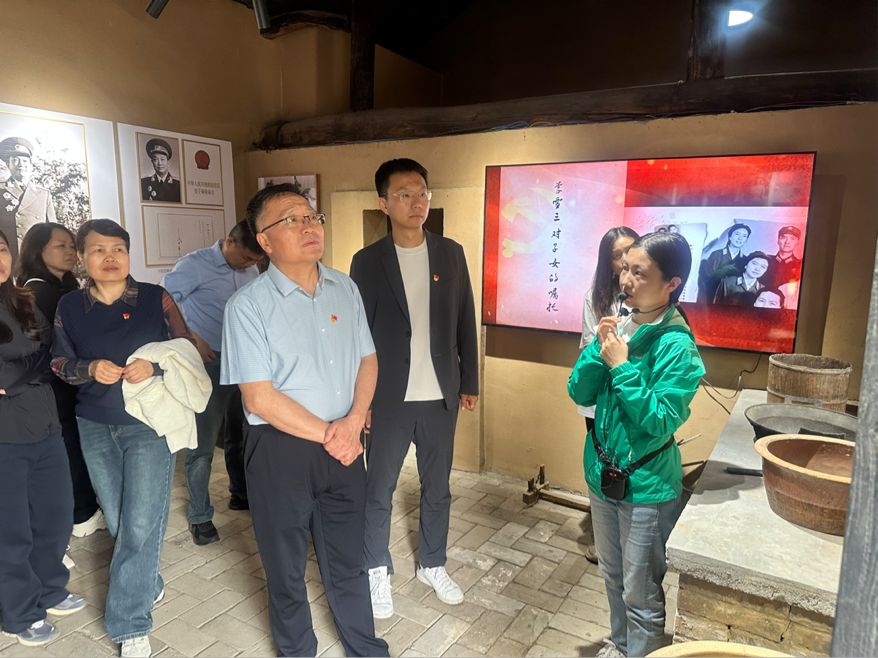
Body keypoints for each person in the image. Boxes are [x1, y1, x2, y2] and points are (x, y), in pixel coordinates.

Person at [222, 185, 388, 658]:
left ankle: (365, 646)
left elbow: (368, 359)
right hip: (281, 450)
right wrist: (335, 434)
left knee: (348, 558)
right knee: (286, 568)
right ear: (265, 241)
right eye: (291, 219)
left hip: (346, 441)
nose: (309, 226)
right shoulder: (247, 306)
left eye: (312, 216)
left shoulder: (345, 287)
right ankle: (298, 651)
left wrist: (352, 421)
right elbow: (259, 397)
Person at [51, 219, 195, 658]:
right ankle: (147, 582)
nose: (110, 257)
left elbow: (187, 347)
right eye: (98, 250)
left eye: (118, 248)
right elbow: (58, 362)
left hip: (149, 423)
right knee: (119, 518)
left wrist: (156, 366)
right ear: (82, 257)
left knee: (139, 524)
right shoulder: (70, 307)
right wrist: (89, 369)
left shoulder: (155, 298)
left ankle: (131, 625)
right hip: (94, 423)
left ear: (129, 255)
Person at [350, 159, 480, 618]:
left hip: (440, 395)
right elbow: (357, 335)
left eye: (422, 192)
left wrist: (469, 381)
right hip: (387, 397)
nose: (416, 201)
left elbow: (465, 318)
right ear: (383, 203)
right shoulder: (367, 261)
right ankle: (375, 567)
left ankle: (432, 563)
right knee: (378, 487)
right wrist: (360, 400)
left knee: (437, 486)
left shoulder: (451, 253)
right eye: (404, 194)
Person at [568, 232, 705, 658]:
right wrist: (597, 352)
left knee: (641, 592)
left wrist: (622, 367)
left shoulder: (677, 346)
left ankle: (640, 650)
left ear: (672, 284)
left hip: (647, 487)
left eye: (639, 272)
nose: (625, 279)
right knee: (612, 575)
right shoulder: (622, 324)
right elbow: (578, 392)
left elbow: (660, 420)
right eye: (625, 268)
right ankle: (621, 644)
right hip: (603, 474)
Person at [0, 228, 86, 647]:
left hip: (46, 427)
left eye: (0, 249)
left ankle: (51, 588)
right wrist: (32, 367)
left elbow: (53, 354)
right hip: (5, 439)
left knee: (55, 516)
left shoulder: (22, 300)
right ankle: (19, 612)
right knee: (11, 532)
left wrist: (22, 372)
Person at [161, 222, 264, 545]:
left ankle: (240, 493)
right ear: (229, 242)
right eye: (246, 258)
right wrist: (191, 338)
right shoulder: (194, 265)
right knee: (203, 443)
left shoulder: (250, 267)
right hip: (210, 363)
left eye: (255, 261)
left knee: (242, 433)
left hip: (244, 361)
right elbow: (161, 305)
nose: (250, 265)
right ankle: (200, 515)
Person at [16, 223, 106, 539]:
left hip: (62, 384)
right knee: (69, 449)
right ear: (37, 251)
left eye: (71, 245)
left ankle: (82, 510)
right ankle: (82, 514)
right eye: (60, 246)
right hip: (54, 387)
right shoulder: (39, 292)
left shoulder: (57, 288)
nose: (70, 251)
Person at [577, 226, 639, 565]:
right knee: (603, 462)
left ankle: (628, 539)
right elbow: (589, 346)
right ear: (608, 261)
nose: (625, 261)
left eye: (630, 251)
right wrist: (606, 345)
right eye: (617, 256)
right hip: (600, 398)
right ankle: (601, 538)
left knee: (633, 462)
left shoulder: (648, 296)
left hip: (631, 397)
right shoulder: (596, 297)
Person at [0, 137, 57, 258]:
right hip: (7, 260)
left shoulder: (43, 195)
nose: (21, 164)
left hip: (36, 259)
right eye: (15, 160)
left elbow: (53, 232)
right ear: (8, 164)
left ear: (31, 165)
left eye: (25, 161)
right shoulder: (1, 190)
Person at [697, 222, 751, 303]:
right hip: (712, 296)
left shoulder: (745, 260)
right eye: (737, 234)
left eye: (744, 236)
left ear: (746, 240)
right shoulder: (716, 254)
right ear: (730, 236)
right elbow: (706, 279)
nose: (740, 238)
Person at [140, 138, 180, 203]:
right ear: (152, 162)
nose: (159, 163)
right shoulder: (144, 183)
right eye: (156, 160)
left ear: (168, 162)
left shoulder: (178, 184)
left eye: (162, 159)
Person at [765, 225, 803, 290]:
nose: (787, 242)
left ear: (797, 243)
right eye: (784, 238)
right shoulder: (766, 260)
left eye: (793, 239)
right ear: (778, 241)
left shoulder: (799, 264)